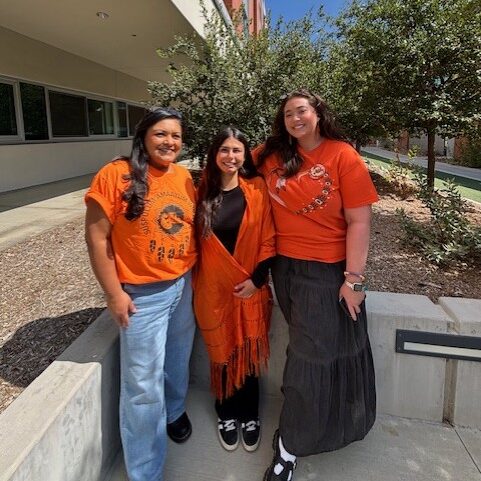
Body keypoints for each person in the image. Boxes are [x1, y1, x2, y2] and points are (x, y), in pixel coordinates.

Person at [253, 90, 378, 481]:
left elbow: (359, 221)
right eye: (288, 113)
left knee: (308, 358)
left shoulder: (342, 155)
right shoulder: (271, 156)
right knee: (310, 351)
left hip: (326, 271)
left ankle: (288, 447)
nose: (295, 118)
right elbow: (229, 162)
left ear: (318, 114)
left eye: (302, 110)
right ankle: (302, 428)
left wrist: (354, 280)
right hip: (283, 269)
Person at [85, 107, 196, 481]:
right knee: (143, 386)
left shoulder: (182, 176)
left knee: (178, 361)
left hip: (183, 284)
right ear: (144, 137)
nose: (169, 142)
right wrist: (114, 294)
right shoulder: (116, 174)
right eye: (161, 134)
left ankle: (175, 411)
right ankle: (146, 473)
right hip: (142, 296)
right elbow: (97, 238)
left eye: (176, 136)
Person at [194, 126, 276, 453]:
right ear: (215, 154)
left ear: (245, 155)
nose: (231, 156)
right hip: (213, 291)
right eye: (224, 150)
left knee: (249, 353)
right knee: (222, 356)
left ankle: (249, 414)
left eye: (237, 150)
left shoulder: (257, 190)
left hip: (250, 289)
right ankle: (226, 412)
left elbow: (270, 239)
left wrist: (257, 280)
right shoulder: (201, 193)